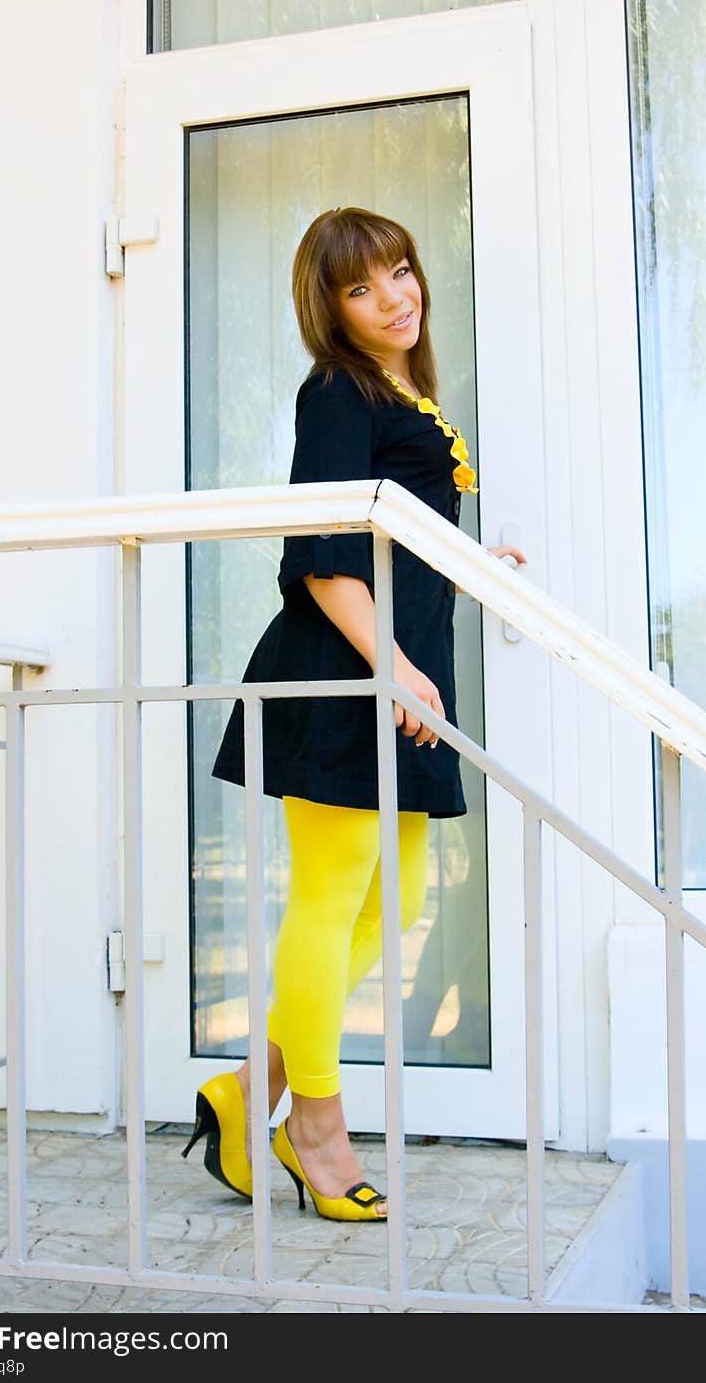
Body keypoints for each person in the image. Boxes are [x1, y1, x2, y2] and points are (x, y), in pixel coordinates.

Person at [181, 206, 526, 1222]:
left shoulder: (400, 393)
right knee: (331, 901)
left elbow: (389, 539)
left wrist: (467, 563)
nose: (394, 296)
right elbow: (322, 551)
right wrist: (391, 667)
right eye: (362, 286)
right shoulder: (335, 389)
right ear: (330, 310)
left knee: (393, 900)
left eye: (401, 270)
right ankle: (316, 1127)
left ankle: (251, 1089)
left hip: (395, 682)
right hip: (346, 680)